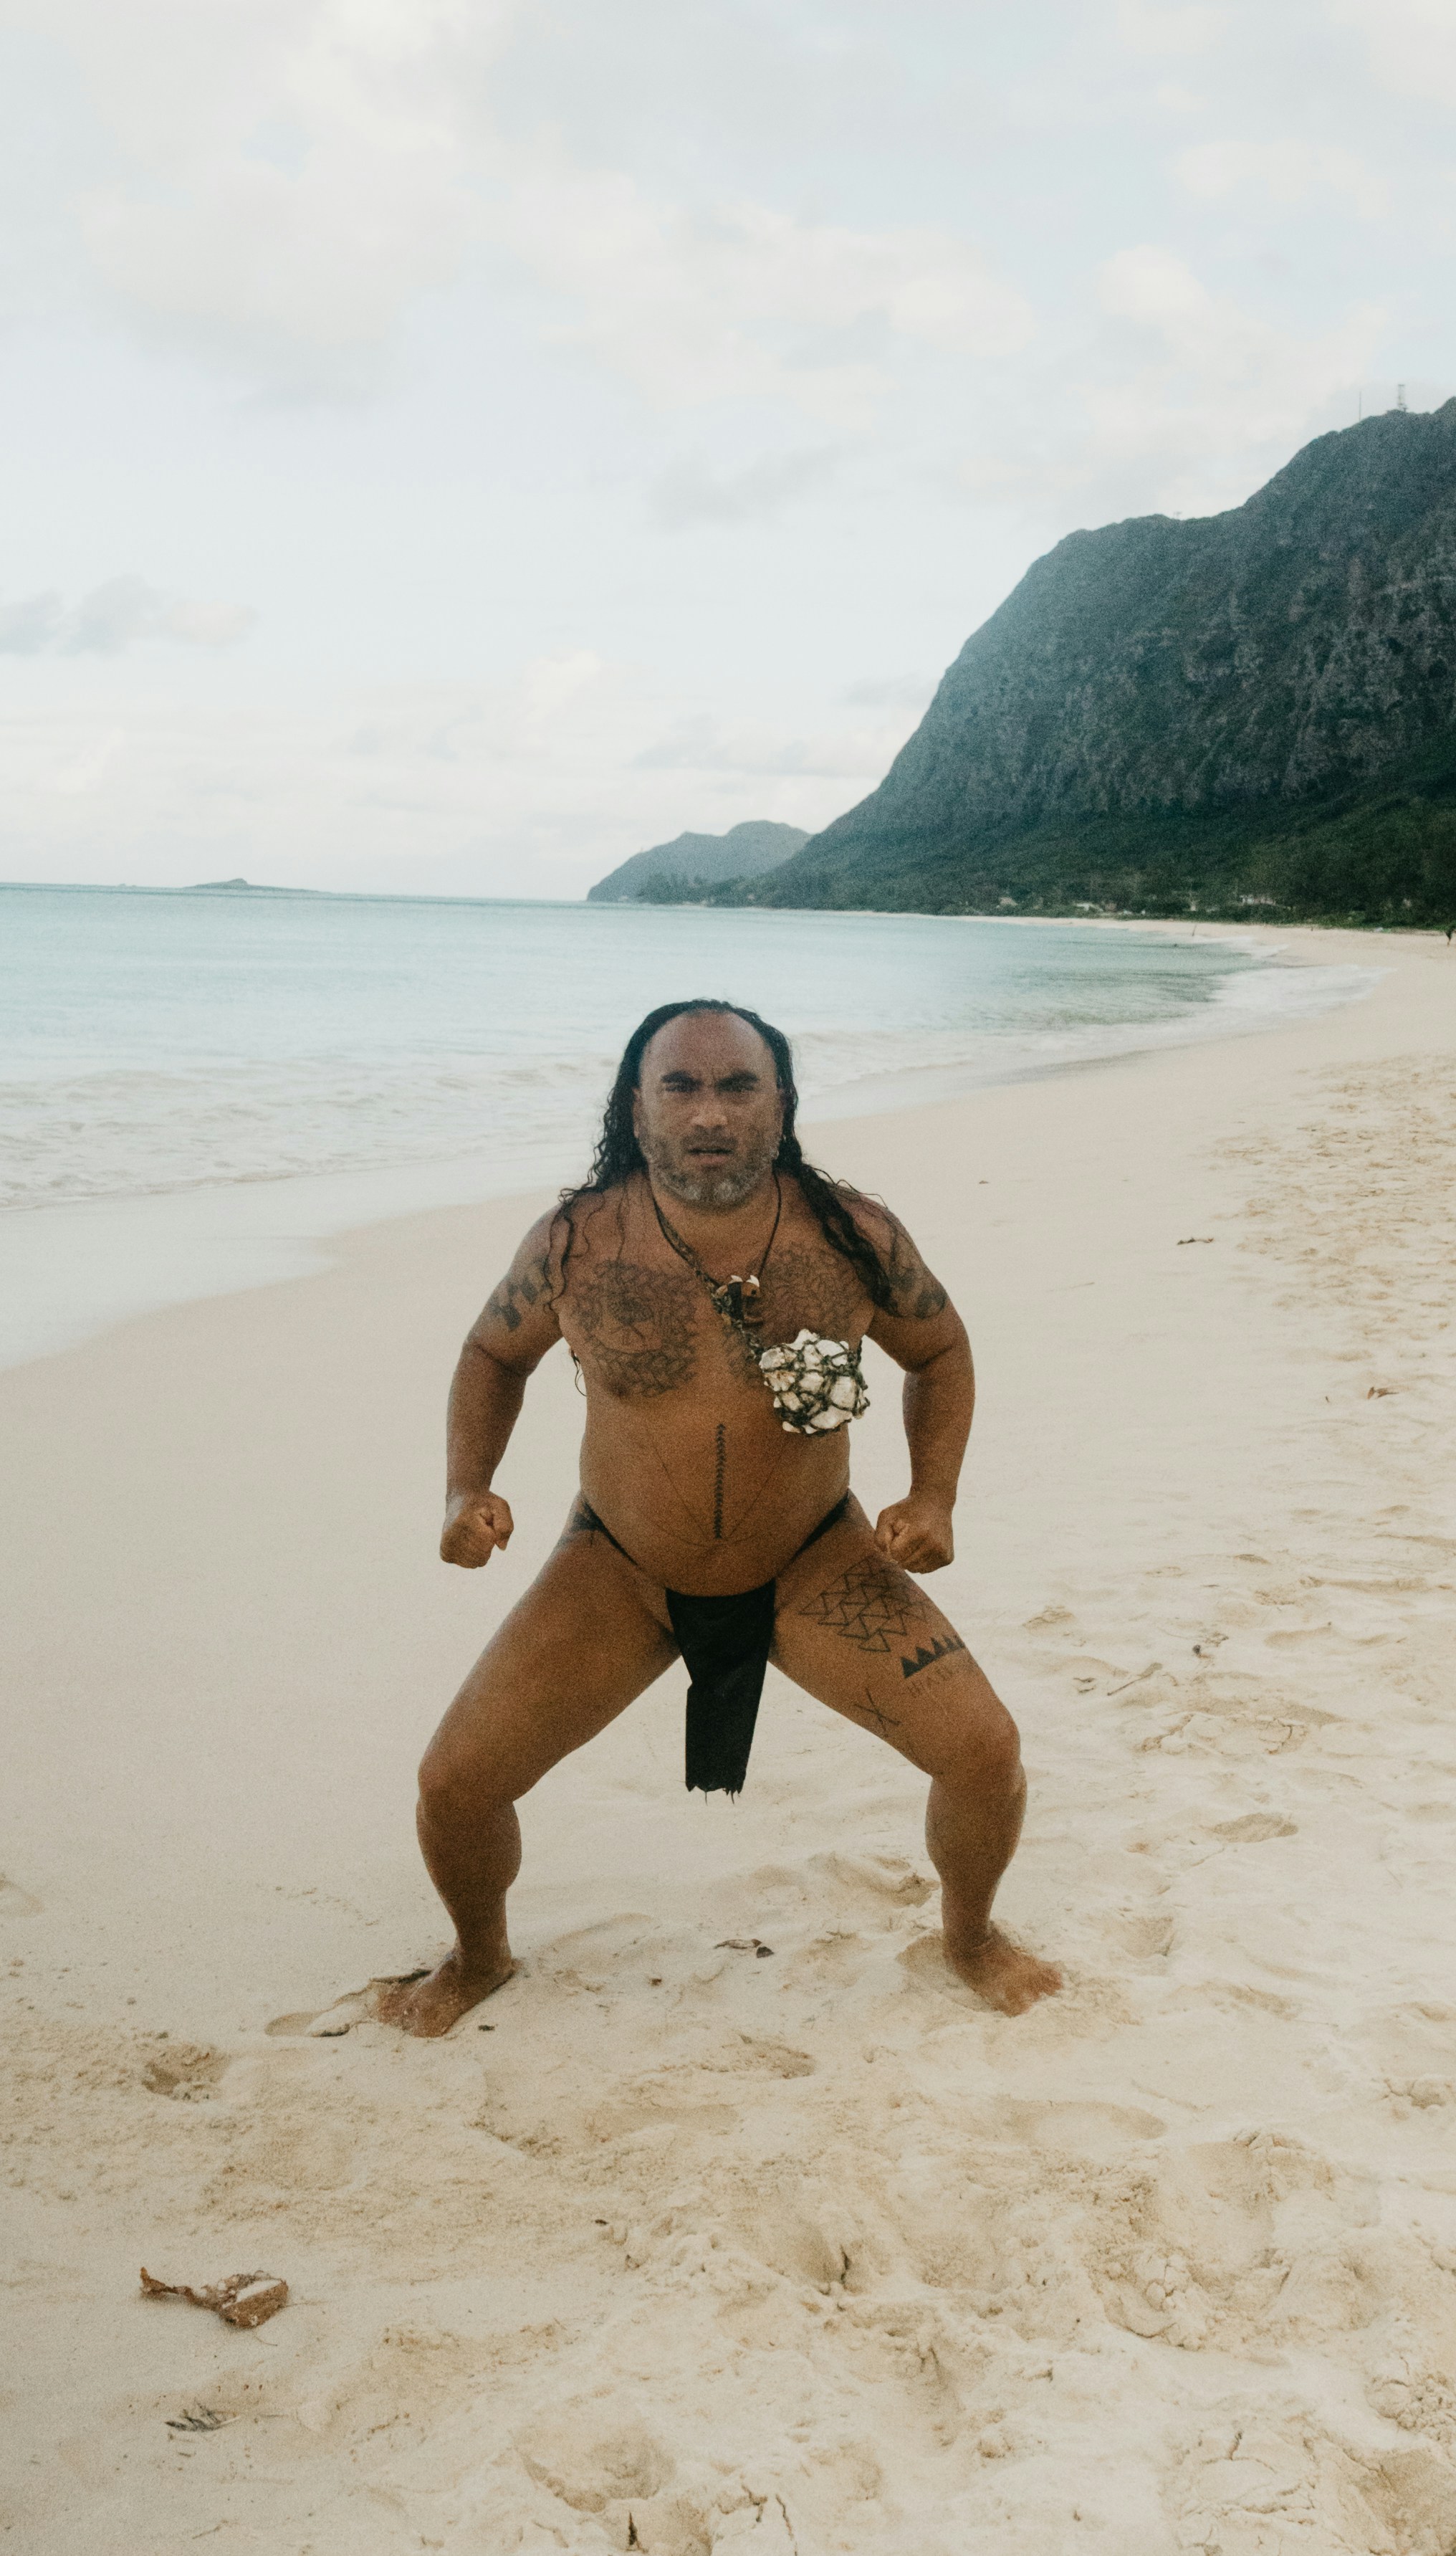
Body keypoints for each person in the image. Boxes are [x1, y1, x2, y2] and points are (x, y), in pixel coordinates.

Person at [379, 999, 1061, 2036]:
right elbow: (491, 1354)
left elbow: (940, 1350)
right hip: (620, 1565)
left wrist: (935, 1495)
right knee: (455, 1783)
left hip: (813, 1561)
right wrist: (463, 1488)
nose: (710, 1113)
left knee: (984, 1752)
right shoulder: (575, 1242)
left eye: (739, 1087)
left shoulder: (853, 1235)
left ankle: (969, 1938)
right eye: (682, 1087)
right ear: (638, 1109)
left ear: (781, 1105)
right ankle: (479, 1957)